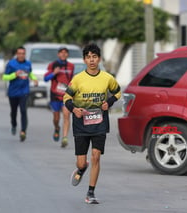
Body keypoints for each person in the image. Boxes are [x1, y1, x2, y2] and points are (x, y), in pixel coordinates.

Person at [63, 44, 121, 204]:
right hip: (81, 124)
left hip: (99, 123)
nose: (92, 60)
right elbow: (66, 98)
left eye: (94, 57)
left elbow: (118, 92)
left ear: (99, 59)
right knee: (81, 161)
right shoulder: (78, 79)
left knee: (96, 157)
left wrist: (108, 102)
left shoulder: (107, 78)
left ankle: (91, 192)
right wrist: (74, 109)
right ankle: (82, 168)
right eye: (88, 57)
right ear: (84, 60)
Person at [2, 46, 38, 142]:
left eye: (23, 53)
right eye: (20, 53)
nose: (21, 55)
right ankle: (13, 124)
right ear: (16, 54)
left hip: (24, 91)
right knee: (14, 112)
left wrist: (34, 79)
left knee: (23, 111)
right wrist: (14, 75)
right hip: (13, 92)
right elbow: (5, 77)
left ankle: (23, 131)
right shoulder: (11, 64)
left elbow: (30, 73)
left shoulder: (28, 63)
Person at [44, 47, 74, 148]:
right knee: (56, 118)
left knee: (66, 115)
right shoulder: (52, 65)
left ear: (67, 55)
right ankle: (57, 128)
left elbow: (71, 80)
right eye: (61, 53)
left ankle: (65, 137)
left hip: (66, 95)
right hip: (55, 94)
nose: (63, 54)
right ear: (58, 54)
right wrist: (54, 73)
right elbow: (45, 78)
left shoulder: (71, 66)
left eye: (65, 53)